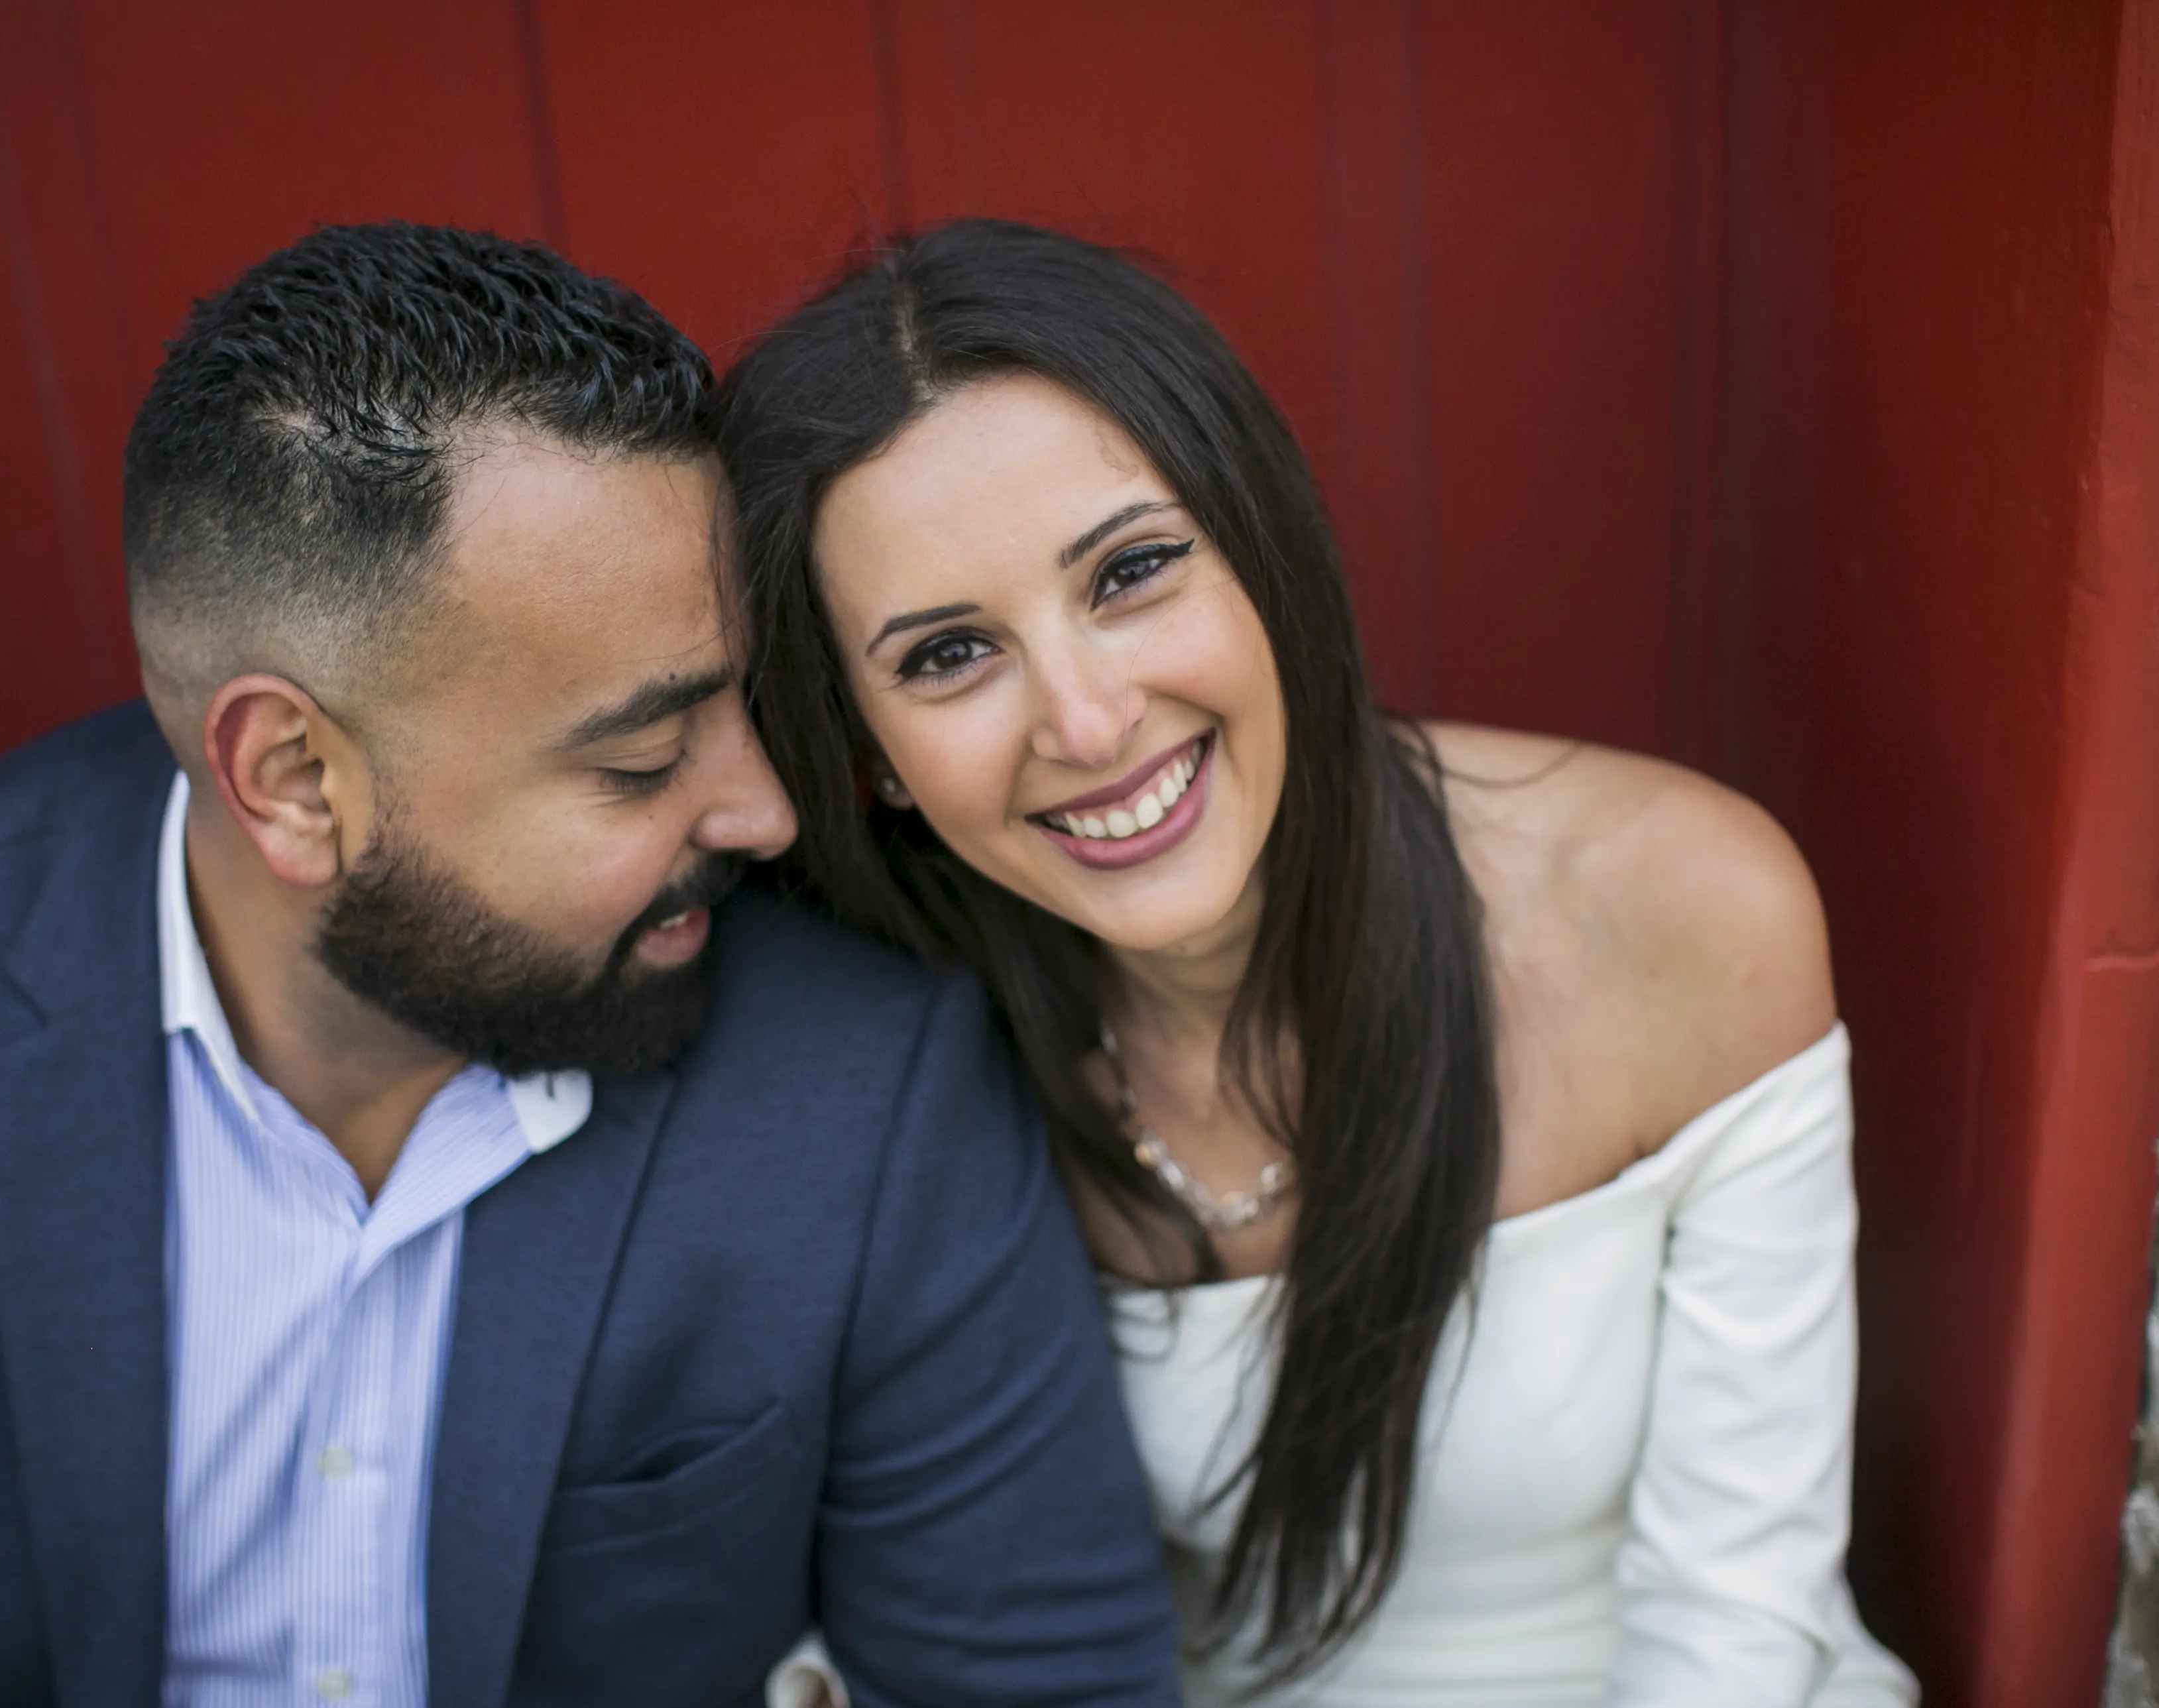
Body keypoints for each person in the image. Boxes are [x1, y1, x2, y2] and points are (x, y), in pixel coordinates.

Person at [0, 223, 1184, 1707]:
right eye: (642, 760)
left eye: (740, 704)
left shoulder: (867, 1072)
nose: (765, 810)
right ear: (295, 778)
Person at [721, 219, 1920, 1707]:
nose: (1087, 723)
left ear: (1263, 552)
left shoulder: (1681, 905)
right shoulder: (886, 1046)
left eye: (1134, 571)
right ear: (871, 754)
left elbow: (1739, 1619)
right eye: (948, 657)